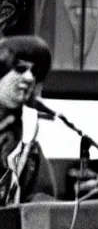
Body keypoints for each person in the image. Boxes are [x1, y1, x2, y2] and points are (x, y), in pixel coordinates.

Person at [0, 35, 55, 206]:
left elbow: (42, 198)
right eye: (20, 68)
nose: (29, 78)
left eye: (35, 72)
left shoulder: (25, 137)